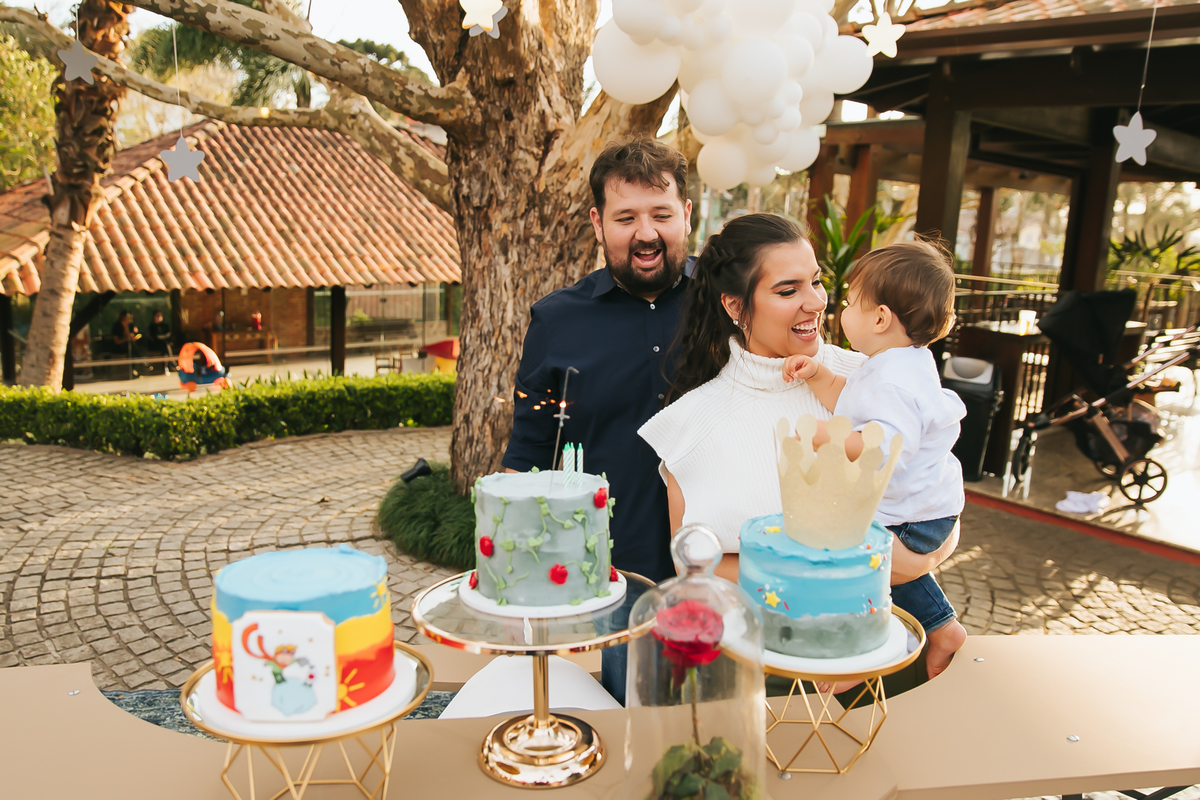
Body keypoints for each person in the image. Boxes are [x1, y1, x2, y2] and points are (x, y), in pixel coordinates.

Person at [638, 214, 959, 672]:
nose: (816, 302)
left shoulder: (873, 375)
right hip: (758, 673)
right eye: (788, 291)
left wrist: (921, 557)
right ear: (735, 305)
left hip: (881, 661)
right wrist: (861, 567)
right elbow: (695, 565)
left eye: (817, 281)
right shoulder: (692, 425)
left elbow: (934, 498)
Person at [502, 139, 694, 704]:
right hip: (622, 573)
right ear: (597, 222)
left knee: (729, 722)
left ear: (687, 214)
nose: (646, 233)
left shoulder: (731, 303)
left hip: (729, 564)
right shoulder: (556, 321)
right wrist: (509, 576)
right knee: (631, 714)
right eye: (625, 217)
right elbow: (529, 451)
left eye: (661, 214)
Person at [781, 240, 969, 680]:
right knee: (875, 566)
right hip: (925, 507)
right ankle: (942, 627)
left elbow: (887, 448)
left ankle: (857, 654)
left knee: (852, 566)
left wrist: (828, 437)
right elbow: (853, 403)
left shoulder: (895, 380)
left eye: (850, 304)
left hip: (913, 516)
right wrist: (819, 374)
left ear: (881, 318)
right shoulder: (895, 363)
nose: (840, 311)